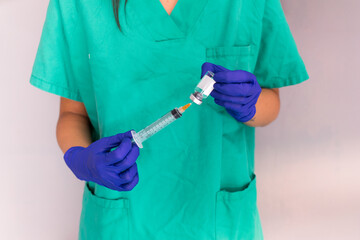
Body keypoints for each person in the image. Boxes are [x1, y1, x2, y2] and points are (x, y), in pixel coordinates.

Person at [30, 0, 309, 239]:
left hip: (217, 222)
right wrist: (83, 159)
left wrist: (251, 104)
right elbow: (72, 114)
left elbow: (271, 102)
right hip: (123, 221)